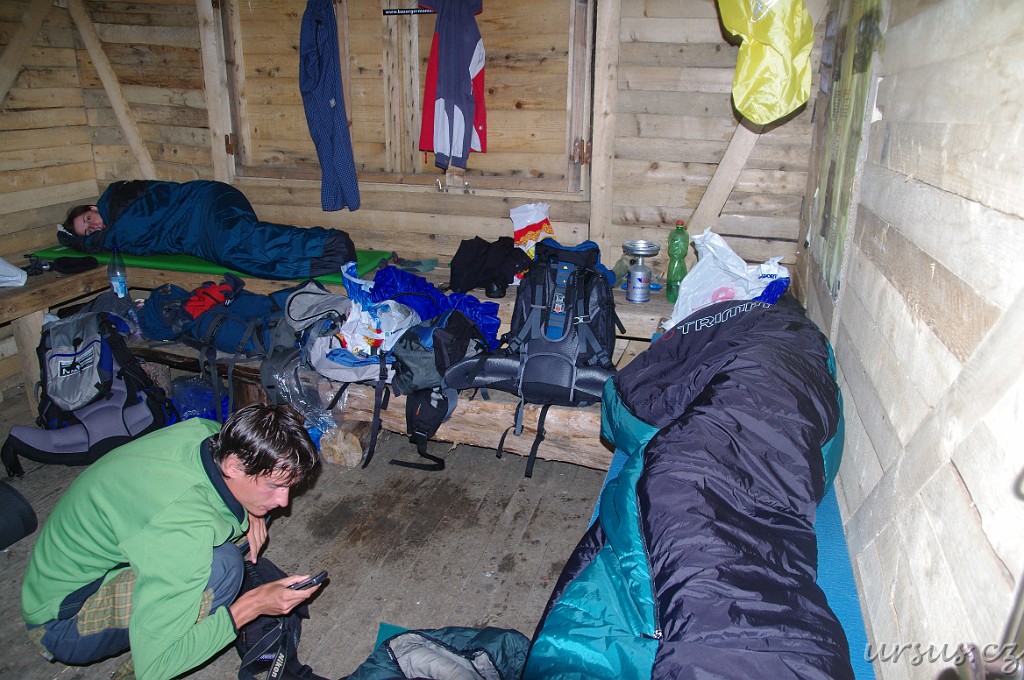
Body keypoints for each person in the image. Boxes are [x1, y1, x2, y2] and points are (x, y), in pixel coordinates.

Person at [21, 403, 323, 680]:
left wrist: (253, 513)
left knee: (242, 530)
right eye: (273, 486)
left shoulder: (208, 433)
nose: (284, 502)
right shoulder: (182, 530)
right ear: (234, 466)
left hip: (73, 572)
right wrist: (253, 605)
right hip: (62, 622)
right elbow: (155, 668)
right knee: (224, 568)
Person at [57, 179, 357, 280]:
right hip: (193, 234)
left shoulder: (120, 199)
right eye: (88, 232)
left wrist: (91, 242)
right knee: (238, 256)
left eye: (88, 220)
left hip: (203, 202)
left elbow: (148, 215)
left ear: (92, 207)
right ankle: (315, 261)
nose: (94, 227)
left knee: (236, 241)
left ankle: (327, 243)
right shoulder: (114, 233)